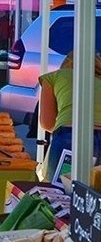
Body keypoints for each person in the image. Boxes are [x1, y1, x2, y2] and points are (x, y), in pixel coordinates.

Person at [38, 52, 101, 182]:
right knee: (94, 189)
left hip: (70, 136)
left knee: (60, 188)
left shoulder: (53, 77)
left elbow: (47, 123)